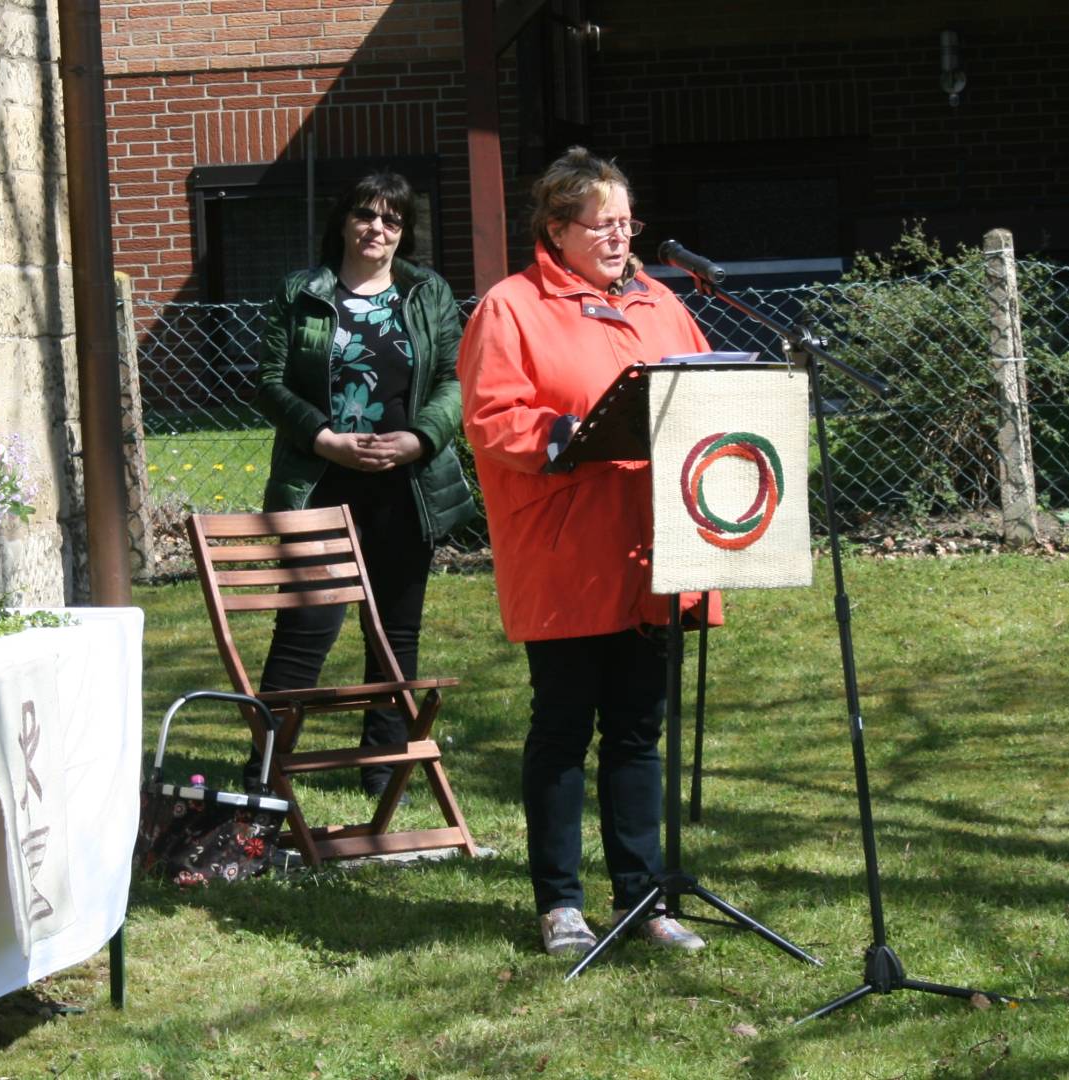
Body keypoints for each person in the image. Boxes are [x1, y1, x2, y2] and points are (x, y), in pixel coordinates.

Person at [458, 147, 722, 957]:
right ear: (556, 229)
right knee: (565, 726)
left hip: (654, 550)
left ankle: (644, 900)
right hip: (568, 551)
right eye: (601, 224)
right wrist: (564, 435)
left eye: (626, 222)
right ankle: (561, 906)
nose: (619, 237)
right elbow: (492, 415)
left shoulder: (661, 304)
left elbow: (706, 388)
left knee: (639, 730)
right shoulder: (511, 308)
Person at [251, 171, 475, 798]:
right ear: (344, 220)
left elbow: (456, 380)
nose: (377, 229)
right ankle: (265, 771)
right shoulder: (303, 291)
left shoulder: (428, 293)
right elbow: (270, 382)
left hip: (406, 488)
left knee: (394, 631)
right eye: (366, 215)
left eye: (392, 220)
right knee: (306, 629)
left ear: (404, 233)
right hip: (322, 480)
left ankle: (382, 770)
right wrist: (324, 438)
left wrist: (420, 438)